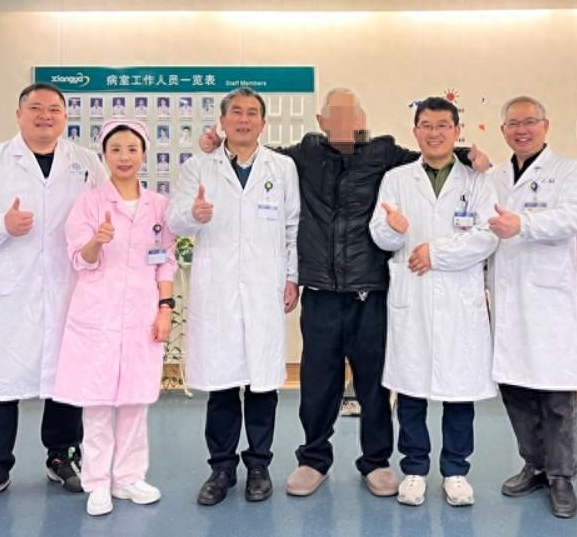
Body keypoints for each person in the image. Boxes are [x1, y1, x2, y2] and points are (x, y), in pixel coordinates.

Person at [199, 88, 489, 499]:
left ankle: (376, 462)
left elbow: (430, 155)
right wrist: (216, 141)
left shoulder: (384, 155)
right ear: (320, 122)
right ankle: (313, 460)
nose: (341, 123)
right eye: (332, 116)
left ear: (362, 118)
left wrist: (470, 156)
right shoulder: (303, 154)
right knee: (318, 386)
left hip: (370, 293)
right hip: (320, 292)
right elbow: (254, 151)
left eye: (349, 115)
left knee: (373, 386)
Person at [0, 83, 105, 511]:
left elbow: (109, 209)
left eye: (54, 109)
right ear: (19, 114)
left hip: (70, 288)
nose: (45, 115)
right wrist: (1, 223)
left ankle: (63, 457)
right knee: (0, 384)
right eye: (35, 108)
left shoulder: (86, 162)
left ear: (65, 117)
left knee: (66, 381)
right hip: (12, 292)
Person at [168, 87, 300, 506]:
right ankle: (221, 468)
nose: (244, 120)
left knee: (262, 386)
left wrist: (292, 277)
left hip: (264, 287)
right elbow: (174, 220)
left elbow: (293, 227)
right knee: (222, 385)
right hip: (218, 290)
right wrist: (194, 215)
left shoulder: (282, 167)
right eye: (236, 113)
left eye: (252, 113)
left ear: (263, 122)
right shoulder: (198, 167)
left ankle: (259, 465)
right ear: (222, 121)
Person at [369, 96, 498, 507]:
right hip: (413, 294)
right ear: (415, 132)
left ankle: (456, 471)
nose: (435, 132)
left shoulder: (477, 179)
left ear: (457, 130)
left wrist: (436, 254)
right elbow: (379, 234)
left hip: (459, 296)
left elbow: (488, 235)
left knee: (459, 391)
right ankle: (414, 469)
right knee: (411, 389)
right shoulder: (396, 179)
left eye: (443, 125)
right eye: (426, 125)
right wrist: (394, 230)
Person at [53, 119, 177, 516]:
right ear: (104, 155)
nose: (124, 157)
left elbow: (165, 260)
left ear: (144, 154)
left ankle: (128, 477)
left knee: (135, 401)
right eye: (116, 149)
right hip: (97, 316)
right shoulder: (89, 203)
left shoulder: (158, 206)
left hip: (143, 312)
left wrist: (165, 308)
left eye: (132, 149)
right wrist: (96, 242)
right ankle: (97, 483)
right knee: (96, 403)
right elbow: (80, 259)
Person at [486, 96, 577, 518]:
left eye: (529, 122)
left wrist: (523, 224)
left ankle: (561, 475)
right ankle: (534, 464)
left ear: (546, 126)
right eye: (513, 123)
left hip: (549, 299)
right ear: (503, 131)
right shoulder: (495, 175)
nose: (521, 130)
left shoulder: (568, 171)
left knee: (555, 392)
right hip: (507, 295)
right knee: (515, 388)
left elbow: (575, 218)